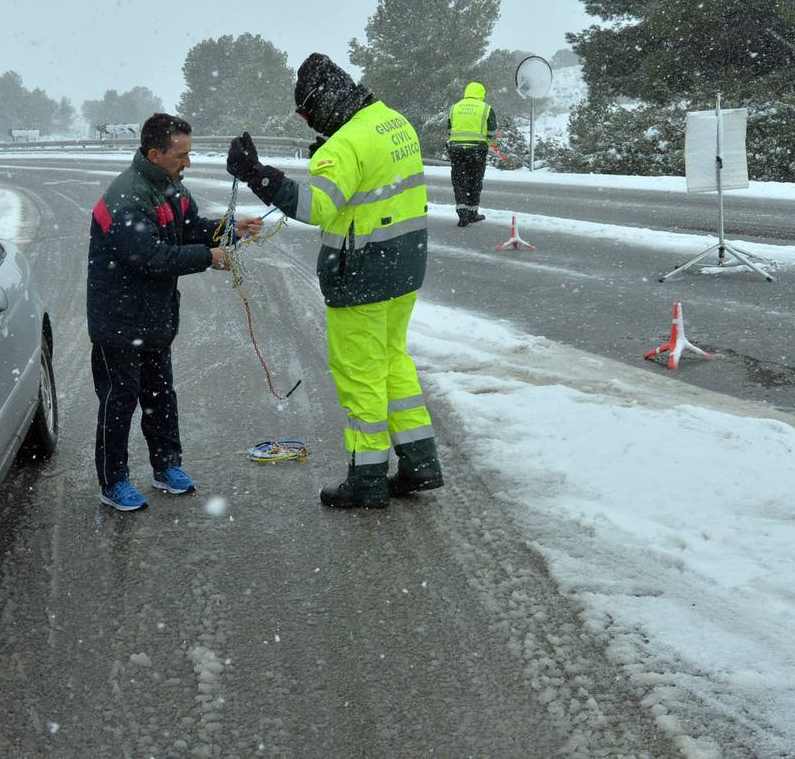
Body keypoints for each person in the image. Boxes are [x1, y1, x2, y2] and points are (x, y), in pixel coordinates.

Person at [225, 53, 443, 509]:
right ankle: (420, 464)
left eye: (308, 113)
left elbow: (315, 208)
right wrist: (332, 153)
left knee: (360, 376)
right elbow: (373, 177)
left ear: (323, 103)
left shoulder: (345, 145)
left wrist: (255, 174)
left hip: (363, 273)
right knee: (393, 363)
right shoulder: (391, 121)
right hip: (405, 268)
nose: (307, 123)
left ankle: (367, 482)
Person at [87, 112, 263, 512]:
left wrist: (232, 229)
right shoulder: (125, 197)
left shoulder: (172, 187)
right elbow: (149, 257)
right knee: (120, 400)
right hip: (117, 322)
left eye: (190, 153)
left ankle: (166, 467)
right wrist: (209, 257)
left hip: (154, 317)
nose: (189, 162)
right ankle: (113, 481)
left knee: (160, 394)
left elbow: (189, 226)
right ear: (155, 153)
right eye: (182, 155)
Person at [447, 81, 498, 226]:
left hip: (457, 151)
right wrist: (486, 144)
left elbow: (449, 131)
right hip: (477, 151)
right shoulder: (486, 109)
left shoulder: (455, 108)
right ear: (481, 94)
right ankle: (472, 213)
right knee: (475, 181)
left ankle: (462, 214)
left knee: (459, 181)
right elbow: (492, 134)